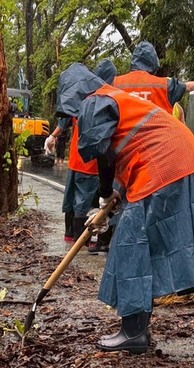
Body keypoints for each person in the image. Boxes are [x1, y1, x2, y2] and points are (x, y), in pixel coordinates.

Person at [55, 63, 194, 354]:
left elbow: (102, 155)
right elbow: (128, 150)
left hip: (166, 166)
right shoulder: (115, 100)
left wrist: (104, 197)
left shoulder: (97, 101)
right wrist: (114, 198)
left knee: (130, 245)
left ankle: (133, 332)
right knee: (143, 247)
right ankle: (137, 329)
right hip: (184, 162)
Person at [45, 59, 118, 253]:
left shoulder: (82, 96)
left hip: (75, 160)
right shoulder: (107, 100)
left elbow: (64, 120)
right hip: (91, 163)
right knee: (83, 203)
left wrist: (52, 137)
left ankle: (70, 237)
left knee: (72, 200)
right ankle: (80, 241)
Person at [113, 41, 194, 113]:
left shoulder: (115, 83)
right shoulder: (164, 85)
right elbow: (187, 86)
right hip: (155, 141)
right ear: (153, 62)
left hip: (123, 142)